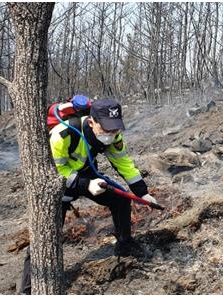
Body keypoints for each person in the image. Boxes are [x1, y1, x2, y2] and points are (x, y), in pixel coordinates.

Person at [18, 98, 157, 294]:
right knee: (44, 236)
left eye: (115, 129)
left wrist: (143, 193)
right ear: (91, 122)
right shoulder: (63, 133)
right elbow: (53, 172)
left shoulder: (113, 136)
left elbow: (124, 163)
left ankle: (125, 244)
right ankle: (28, 289)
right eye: (107, 129)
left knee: (121, 200)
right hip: (57, 187)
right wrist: (85, 184)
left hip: (87, 176)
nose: (111, 134)